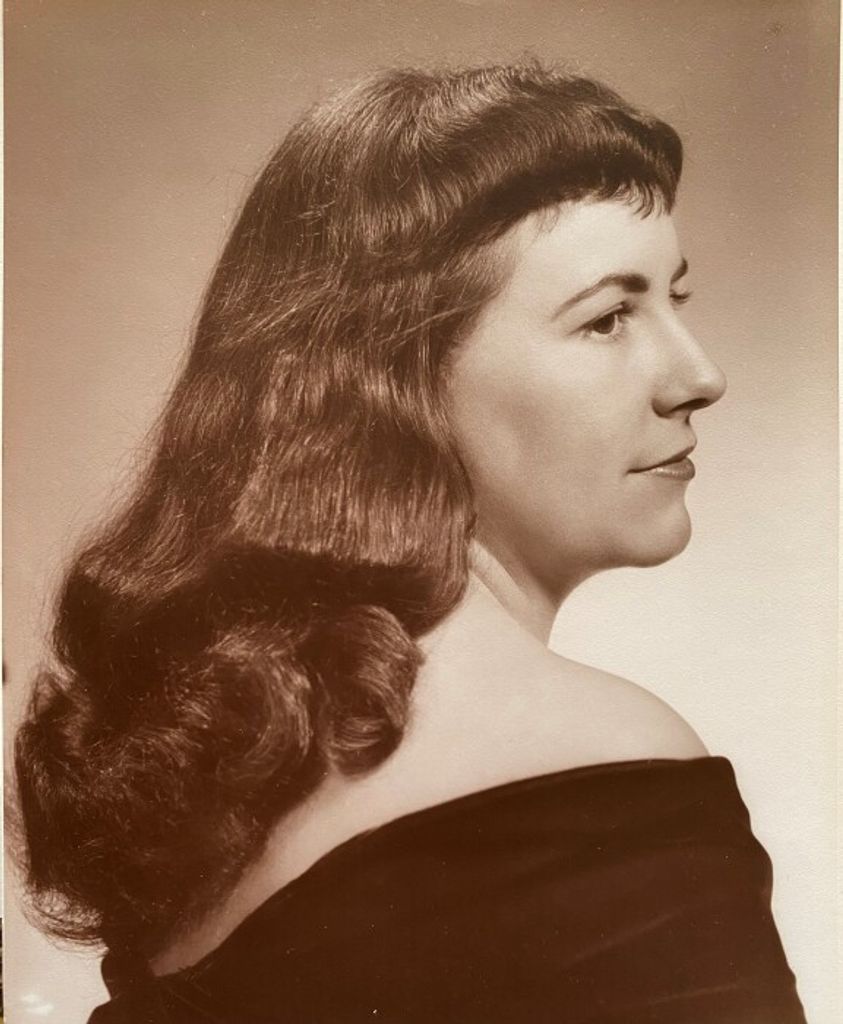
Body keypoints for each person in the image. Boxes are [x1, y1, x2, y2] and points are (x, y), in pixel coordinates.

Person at [12, 61, 806, 1023]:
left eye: (675, 301)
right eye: (607, 319)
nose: (698, 376)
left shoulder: (236, 782)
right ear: (401, 380)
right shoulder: (609, 766)